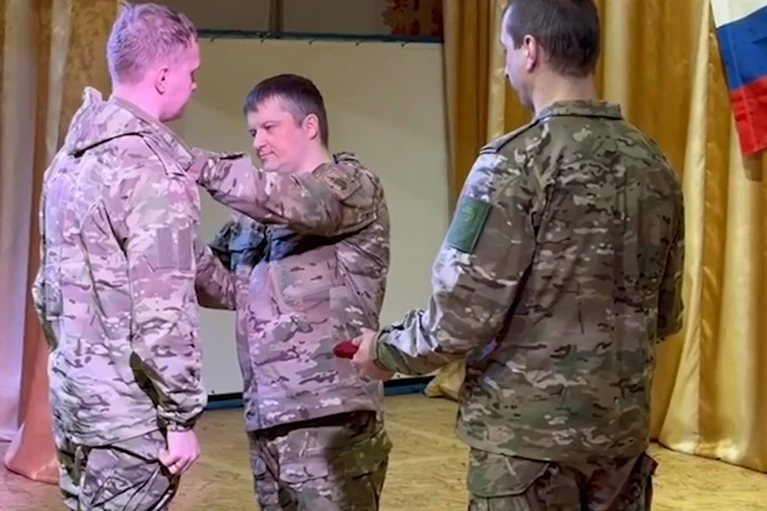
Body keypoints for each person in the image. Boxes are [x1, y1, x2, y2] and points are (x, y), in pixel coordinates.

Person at [344, 0, 685, 510]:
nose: (504, 68)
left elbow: (462, 313)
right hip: (620, 441)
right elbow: (666, 312)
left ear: (530, 50)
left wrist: (386, 350)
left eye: (506, 50)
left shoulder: (513, 163)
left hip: (525, 447)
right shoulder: (653, 163)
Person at [31, 3, 229, 509]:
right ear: (163, 77)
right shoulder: (153, 168)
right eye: (191, 72)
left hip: (75, 402)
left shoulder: (68, 160)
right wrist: (180, 418)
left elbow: (47, 292)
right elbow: (163, 313)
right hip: (127, 421)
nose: (195, 84)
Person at [193, 74, 393, 511]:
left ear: (309, 125)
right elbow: (221, 286)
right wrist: (164, 233)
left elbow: (301, 204)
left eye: (269, 127)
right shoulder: (254, 218)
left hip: (331, 418)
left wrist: (198, 166)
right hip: (267, 415)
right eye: (252, 132)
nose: (258, 142)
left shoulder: (351, 186)